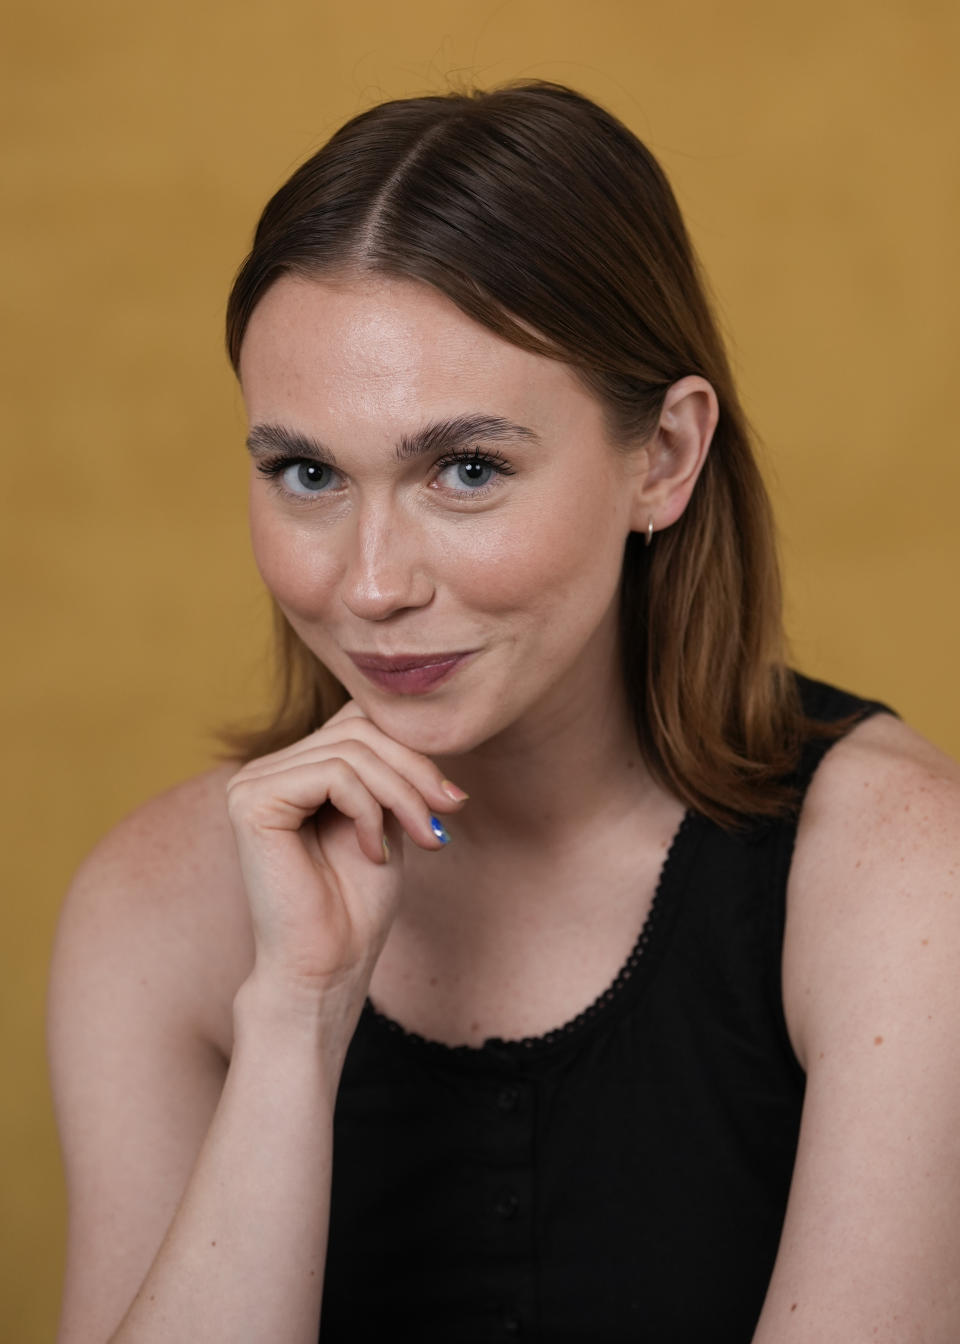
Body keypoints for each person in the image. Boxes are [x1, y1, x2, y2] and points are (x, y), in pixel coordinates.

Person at [48, 80, 960, 1344]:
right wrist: (294, 1025)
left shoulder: (902, 880)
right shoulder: (153, 910)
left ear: (665, 459)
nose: (369, 584)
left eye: (466, 470)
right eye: (306, 473)